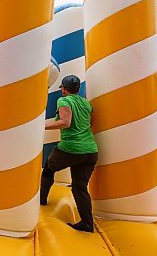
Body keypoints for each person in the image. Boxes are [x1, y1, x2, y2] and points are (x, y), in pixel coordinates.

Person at [40, 75, 98, 233]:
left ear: (64, 89)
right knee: (80, 187)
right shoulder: (86, 103)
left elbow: (65, 122)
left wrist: (41, 126)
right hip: (91, 151)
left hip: (71, 148)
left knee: (48, 169)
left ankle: (42, 199)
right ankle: (87, 223)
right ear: (78, 89)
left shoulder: (63, 101)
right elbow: (90, 123)